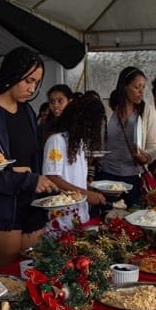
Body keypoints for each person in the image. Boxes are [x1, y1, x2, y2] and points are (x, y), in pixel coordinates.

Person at [0, 46, 60, 273]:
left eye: (36, 83)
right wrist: (26, 178)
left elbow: (32, 161)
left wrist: (41, 185)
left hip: (31, 207)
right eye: (28, 81)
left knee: (33, 278)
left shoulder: (27, 111)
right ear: (12, 75)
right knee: (6, 278)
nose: (32, 88)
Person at [41, 93, 107, 233]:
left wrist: (91, 190)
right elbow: (52, 177)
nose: (91, 130)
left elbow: (74, 178)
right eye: (89, 125)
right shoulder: (57, 140)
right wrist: (86, 194)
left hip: (80, 217)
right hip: (60, 220)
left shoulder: (79, 143)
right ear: (78, 120)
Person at [97, 66, 156, 206]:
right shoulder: (106, 108)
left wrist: (145, 157)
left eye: (143, 87)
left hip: (133, 176)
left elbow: (153, 146)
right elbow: (96, 140)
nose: (141, 92)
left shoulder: (147, 111)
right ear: (124, 87)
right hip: (106, 175)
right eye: (137, 87)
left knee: (134, 216)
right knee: (108, 217)